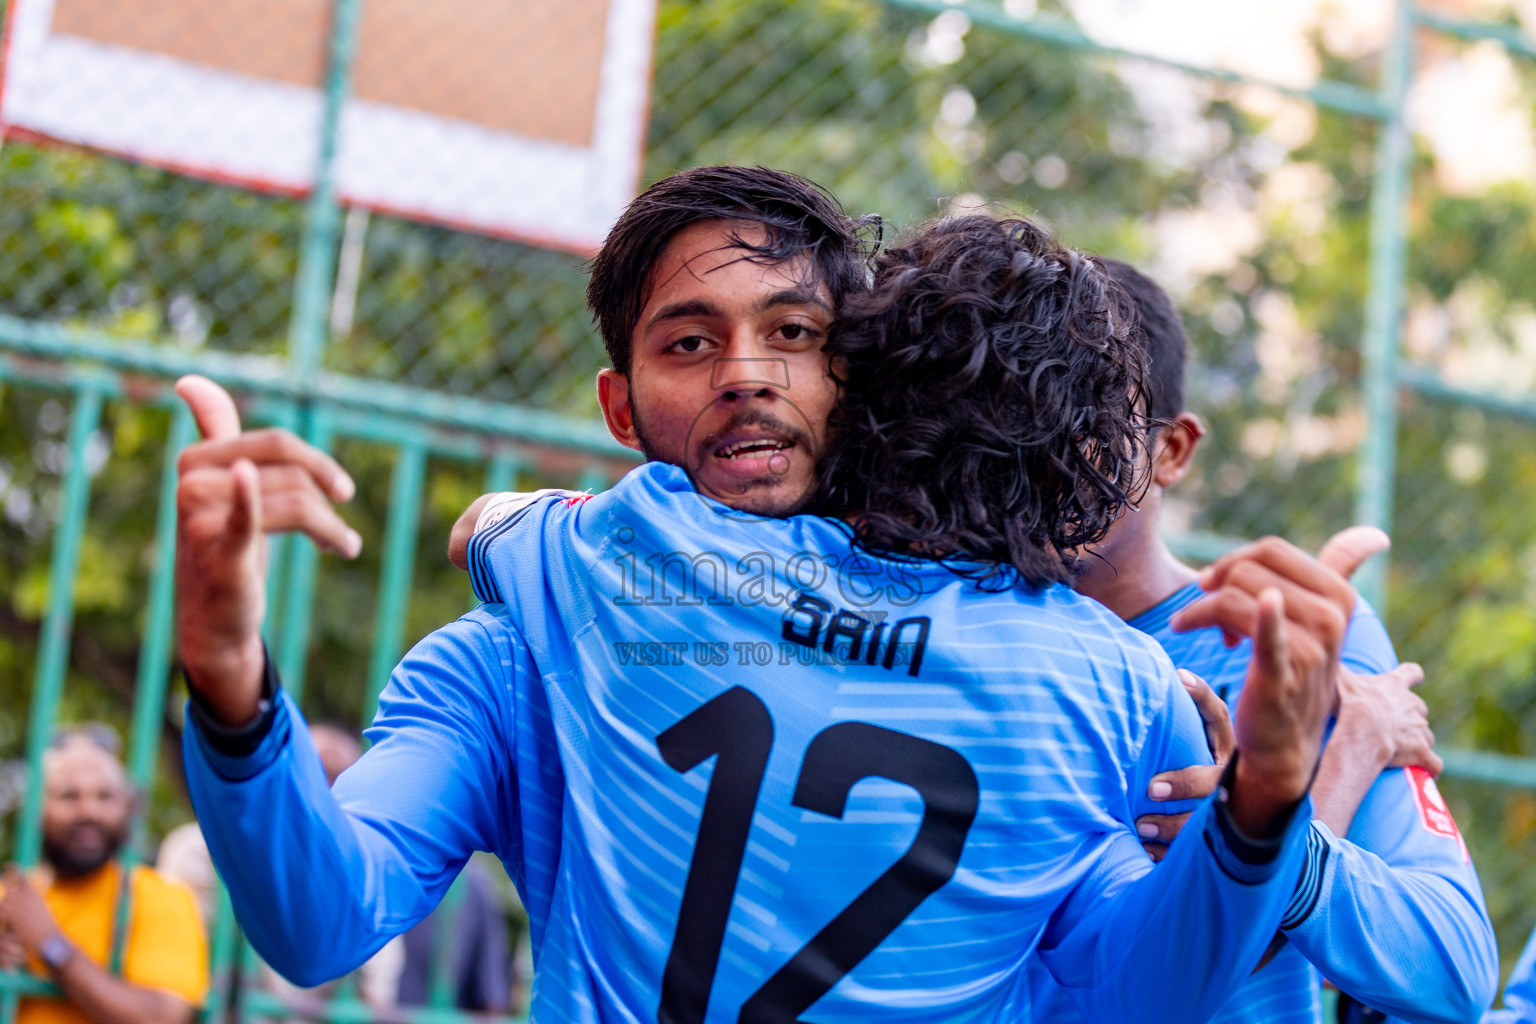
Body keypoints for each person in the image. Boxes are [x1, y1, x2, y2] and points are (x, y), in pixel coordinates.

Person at [174, 182, 1345, 1022]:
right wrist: (231, 679)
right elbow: (322, 919)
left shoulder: (583, 566)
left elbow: (1115, 986)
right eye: (689, 341)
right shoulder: (510, 661)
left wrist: (1252, 816)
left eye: (796, 333)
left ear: (864, 375)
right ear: (621, 408)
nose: (747, 371)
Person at [1033, 258, 1496, 1024]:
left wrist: (1268, 829)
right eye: (1018, 415)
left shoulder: (1295, 639)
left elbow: (1452, 969)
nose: (1043, 451)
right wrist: (1321, 782)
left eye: (1086, 418)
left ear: (1172, 450)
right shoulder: (954, 637)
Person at [0, 730, 207, 1024]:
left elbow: (161, 1016)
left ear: (126, 807)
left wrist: (50, 945)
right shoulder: (12, 900)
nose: (88, 811)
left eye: (105, 796)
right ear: (38, 807)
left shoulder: (158, 897)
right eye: (69, 796)